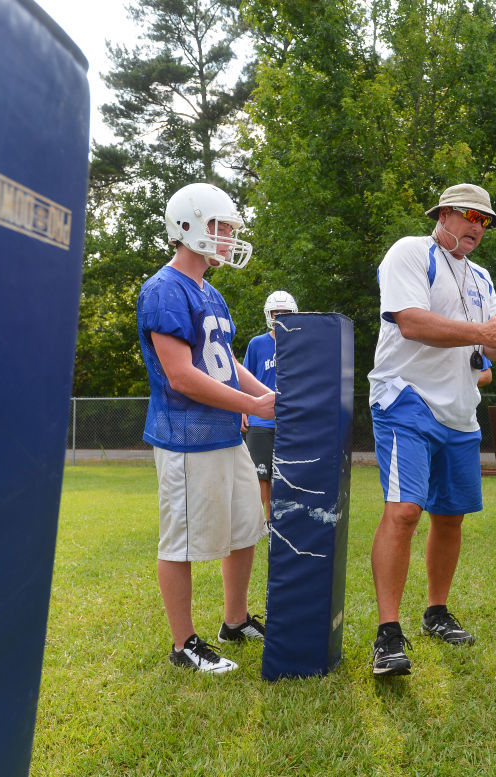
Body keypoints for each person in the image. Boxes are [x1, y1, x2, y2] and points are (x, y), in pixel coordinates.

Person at [367, 183, 496, 676]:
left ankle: (436, 612)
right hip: (405, 398)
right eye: (471, 216)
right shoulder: (410, 251)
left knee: (450, 517)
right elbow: (410, 322)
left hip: (460, 410)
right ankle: (388, 634)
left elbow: (481, 354)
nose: (478, 227)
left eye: (485, 221)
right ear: (444, 213)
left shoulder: (481, 277)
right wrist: (484, 333)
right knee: (405, 511)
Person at [137, 182, 275, 673]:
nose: (228, 237)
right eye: (221, 226)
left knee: (245, 528)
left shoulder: (209, 291)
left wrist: (265, 397)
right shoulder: (164, 289)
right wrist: (253, 404)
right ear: (189, 225)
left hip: (225, 433)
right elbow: (182, 375)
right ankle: (184, 645)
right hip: (186, 436)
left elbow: (223, 361)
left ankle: (233, 622)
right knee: (181, 543)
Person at [242, 290, 298, 520]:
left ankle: (279, 521)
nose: (280, 316)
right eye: (277, 312)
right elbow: (245, 378)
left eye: (285, 312)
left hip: (291, 419)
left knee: (285, 475)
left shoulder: (300, 344)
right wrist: (243, 409)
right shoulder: (257, 344)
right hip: (260, 420)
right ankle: (261, 522)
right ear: (269, 314)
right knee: (260, 475)